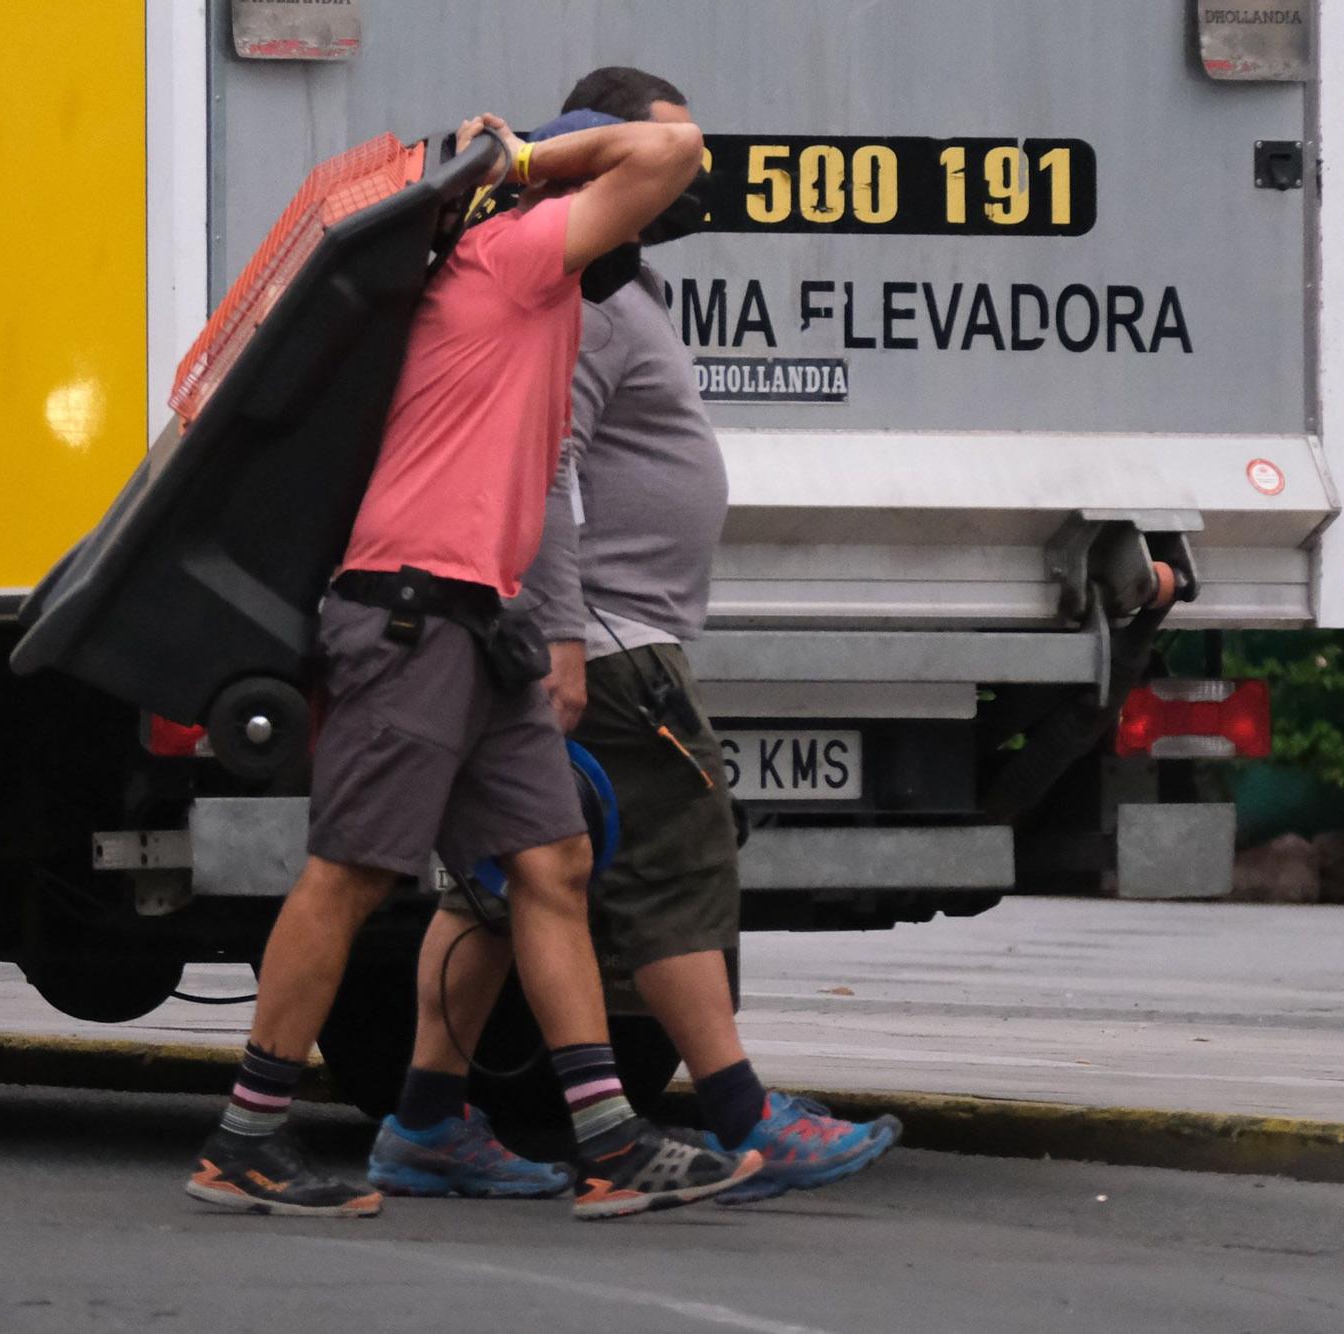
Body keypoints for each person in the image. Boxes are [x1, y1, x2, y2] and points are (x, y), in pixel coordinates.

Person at [186, 107, 762, 1222]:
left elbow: (541, 494)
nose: (632, 246)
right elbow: (673, 145)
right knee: (350, 871)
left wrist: (546, 630)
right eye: (621, 227)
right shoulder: (507, 260)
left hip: (476, 625)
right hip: (409, 616)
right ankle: (243, 1139)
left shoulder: (533, 301)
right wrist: (529, 159)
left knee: (549, 867)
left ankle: (606, 1141)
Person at [366, 68, 901, 1208]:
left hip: (601, 631)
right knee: (670, 863)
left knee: (507, 890)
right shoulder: (580, 290)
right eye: (663, 152)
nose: (687, 175)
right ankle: (743, 1116)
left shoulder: (614, 285)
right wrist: (562, 634)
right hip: (607, 642)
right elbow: (547, 471)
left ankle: (424, 1120)